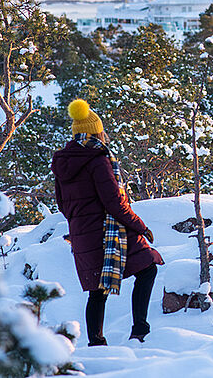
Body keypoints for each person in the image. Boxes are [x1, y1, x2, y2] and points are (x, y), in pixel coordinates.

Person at [52, 99, 164, 346]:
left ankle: (96, 343)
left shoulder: (63, 162)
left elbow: (62, 204)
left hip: (82, 234)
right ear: (96, 132)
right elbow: (114, 202)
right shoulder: (98, 158)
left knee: (97, 289)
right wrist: (140, 226)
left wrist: (79, 224)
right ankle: (140, 331)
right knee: (148, 267)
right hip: (108, 232)